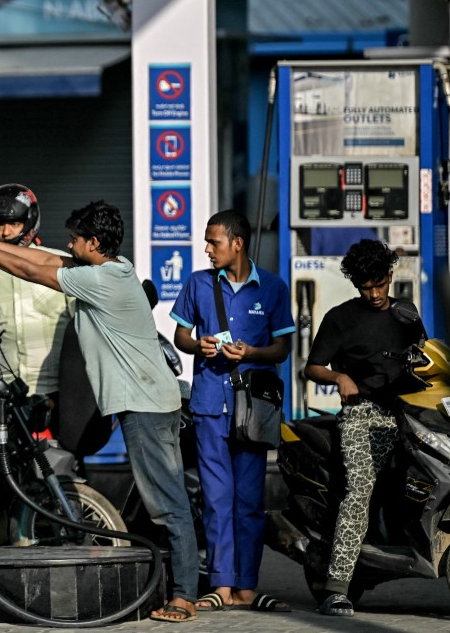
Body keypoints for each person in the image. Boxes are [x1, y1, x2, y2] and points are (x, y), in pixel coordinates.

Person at [0, 198, 199, 624]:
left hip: (144, 404)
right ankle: (172, 586)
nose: (66, 246)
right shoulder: (113, 266)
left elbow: (33, 269)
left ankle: (183, 595)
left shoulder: (101, 281)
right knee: (159, 500)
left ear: (92, 243)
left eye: (73, 240)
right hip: (148, 401)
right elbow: (39, 258)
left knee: (167, 502)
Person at [170, 209, 295, 613]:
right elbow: (180, 335)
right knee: (215, 498)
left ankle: (247, 587)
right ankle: (221, 587)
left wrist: (252, 352)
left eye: (214, 242)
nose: (207, 249)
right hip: (209, 405)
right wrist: (198, 345)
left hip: (254, 410)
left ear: (236, 243)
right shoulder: (197, 284)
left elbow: (283, 348)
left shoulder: (273, 288)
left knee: (249, 501)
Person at [303, 238, 426, 616]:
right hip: (361, 416)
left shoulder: (407, 314)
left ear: (391, 275)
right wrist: (339, 377)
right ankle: (337, 587)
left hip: (407, 416)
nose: (374, 293)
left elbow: (426, 355)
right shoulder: (340, 318)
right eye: (365, 286)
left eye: (379, 283)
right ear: (355, 284)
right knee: (359, 491)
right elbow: (312, 367)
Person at [0, 184, 74, 412]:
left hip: (56, 392)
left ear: (30, 222)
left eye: (14, 223)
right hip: (3, 394)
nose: (5, 232)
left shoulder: (61, 264)